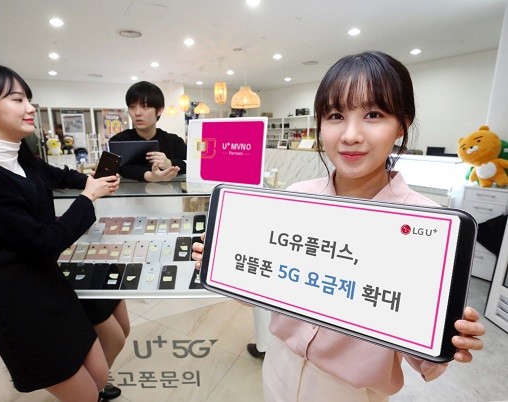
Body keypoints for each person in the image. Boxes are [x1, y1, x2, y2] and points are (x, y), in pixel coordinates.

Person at [192, 51, 486, 401]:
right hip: (278, 366)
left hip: (352, 392)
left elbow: (419, 349)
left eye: (373, 115)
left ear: (402, 125)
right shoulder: (296, 197)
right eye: (335, 116)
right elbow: (265, 288)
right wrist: (223, 263)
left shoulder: (428, 227)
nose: (350, 135)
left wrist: (447, 333)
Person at [0, 60, 121, 402]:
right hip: (21, 302)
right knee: (84, 393)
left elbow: (58, 175)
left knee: (98, 376)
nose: (30, 108)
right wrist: (88, 198)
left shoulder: (21, 156)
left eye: (28, 99)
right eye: (17, 99)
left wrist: (91, 181)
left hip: (51, 285)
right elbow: (42, 241)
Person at [109, 81, 186, 182]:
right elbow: (119, 167)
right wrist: (150, 176)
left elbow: (190, 165)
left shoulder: (174, 141)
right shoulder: (119, 141)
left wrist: (168, 163)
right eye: (132, 107)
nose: (137, 113)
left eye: (145, 106)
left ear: (159, 110)